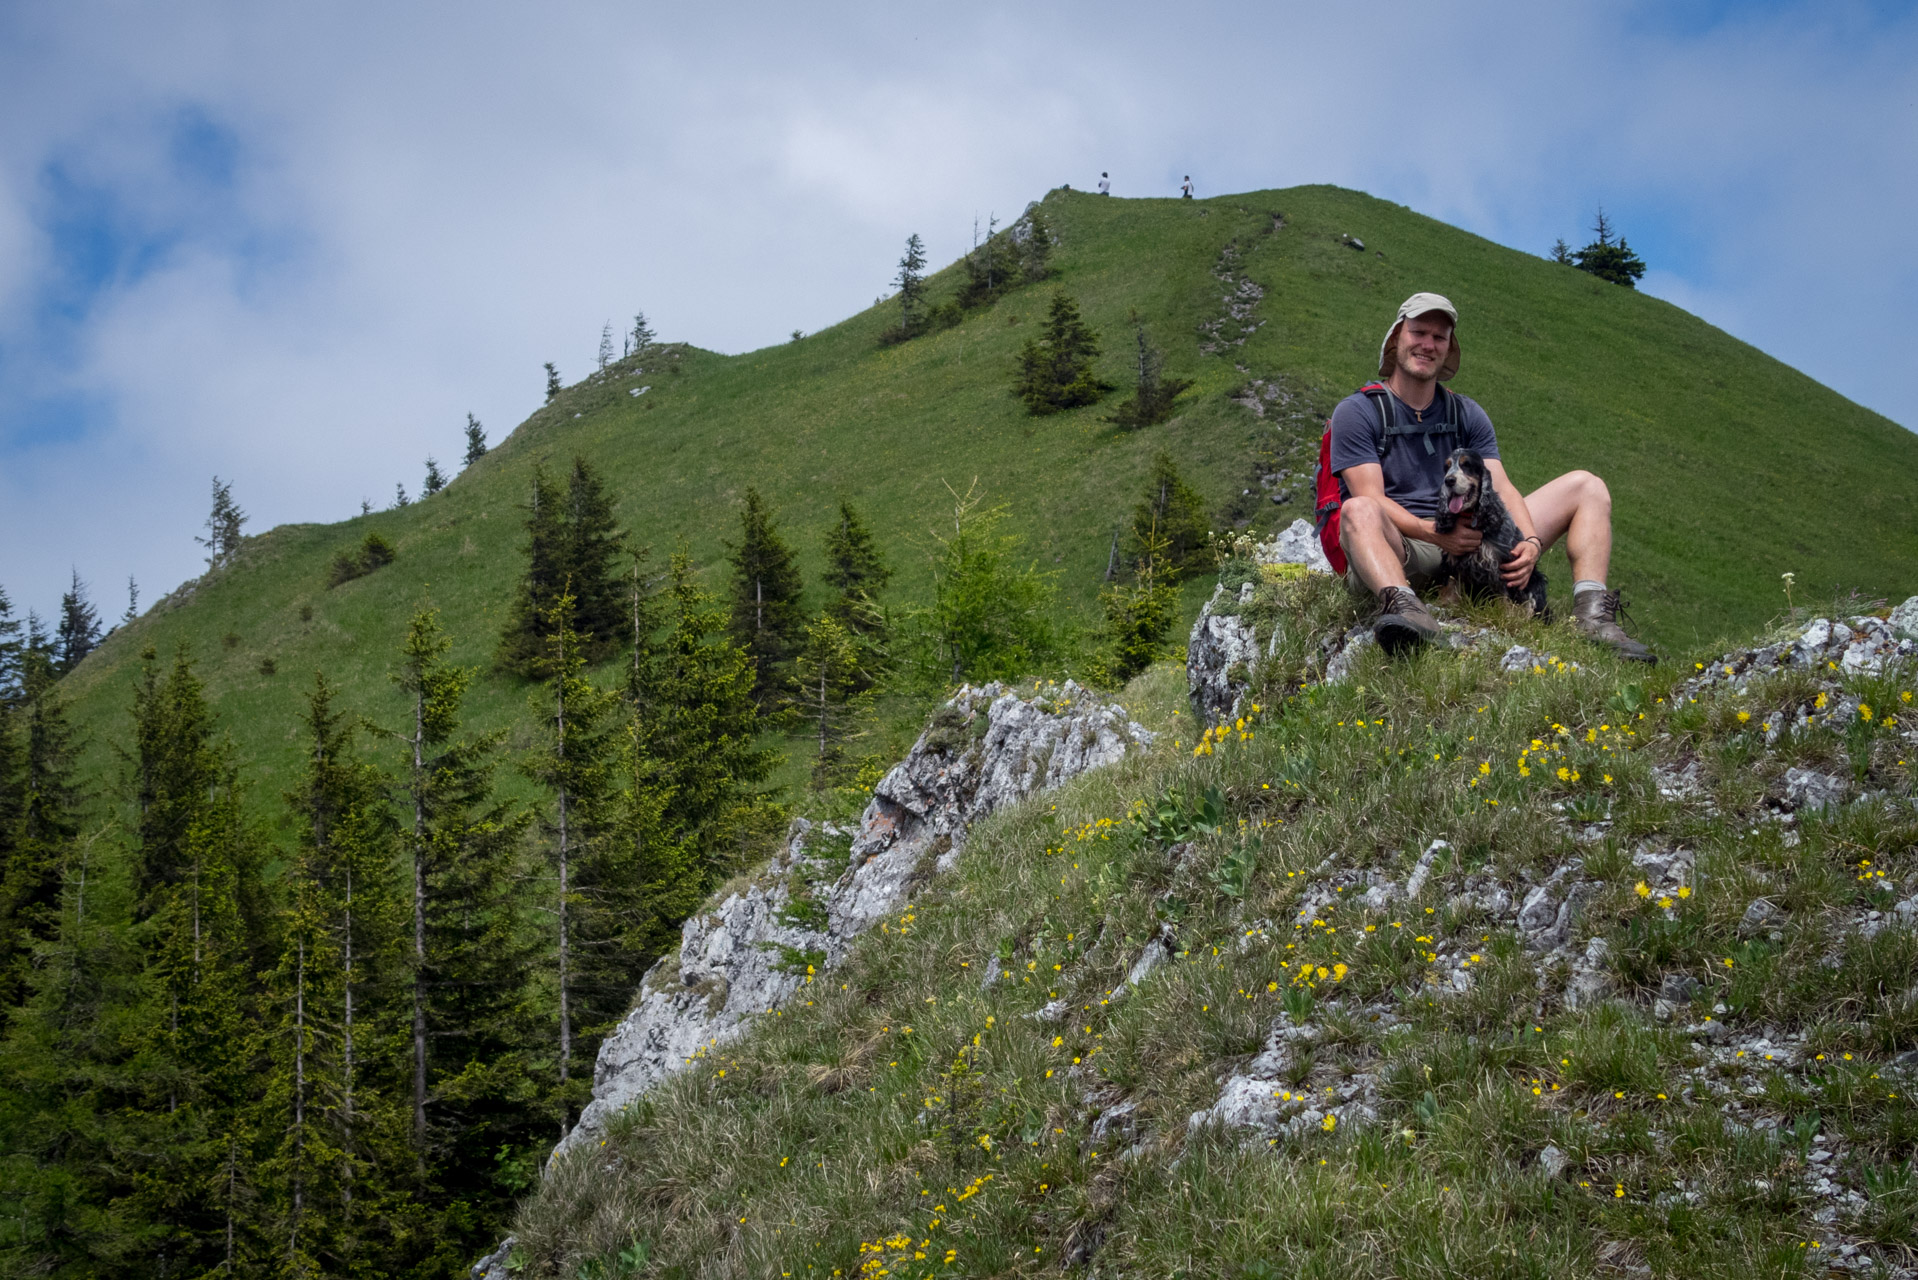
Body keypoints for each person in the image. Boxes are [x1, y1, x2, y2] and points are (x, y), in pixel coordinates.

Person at [1329, 292, 1654, 662]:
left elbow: (1500, 485)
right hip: (1404, 546)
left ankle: (1592, 615)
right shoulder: (1358, 412)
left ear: (1449, 348)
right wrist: (1435, 533)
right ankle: (1407, 609)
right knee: (1357, 509)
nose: (1428, 345)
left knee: (1588, 486)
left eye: (1440, 338)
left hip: (1469, 541)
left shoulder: (1465, 413)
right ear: (1396, 339)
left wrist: (1530, 540)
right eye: (1418, 332)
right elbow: (1373, 499)